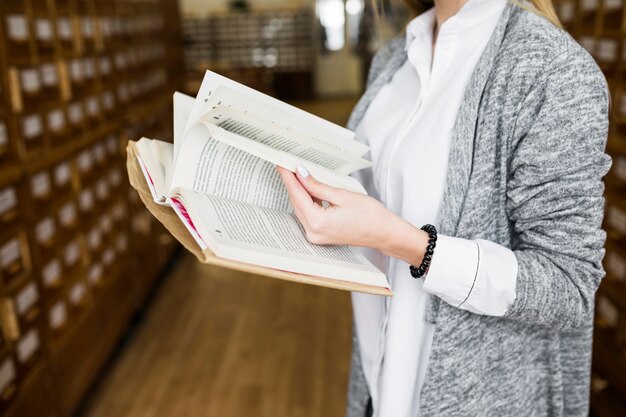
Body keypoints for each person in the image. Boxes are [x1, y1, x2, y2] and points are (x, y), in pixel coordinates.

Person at [277, 0, 611, 416]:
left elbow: (568, 285)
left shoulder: (552, 69)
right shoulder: (394, 58)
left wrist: (407, 243)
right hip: (380, 384)